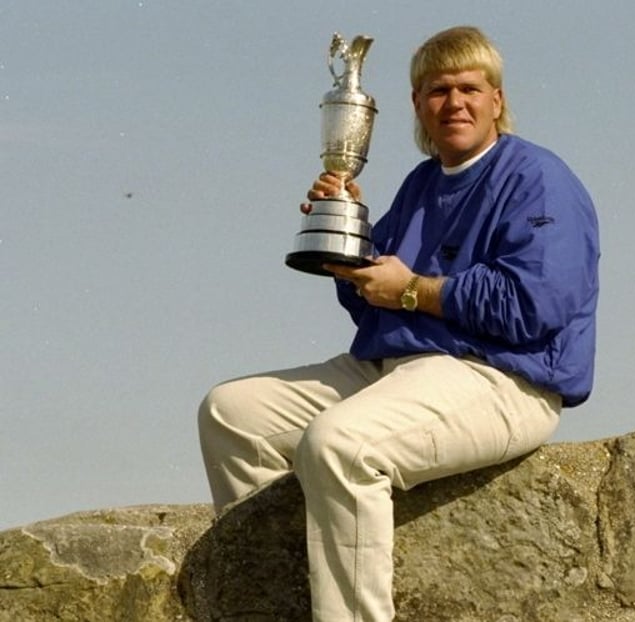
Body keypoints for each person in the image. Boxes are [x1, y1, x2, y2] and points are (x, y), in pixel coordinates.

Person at [197, 25, 600, 621]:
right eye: (438, 90)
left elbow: (535, 304)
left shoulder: (537, 178)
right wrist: (343, 236)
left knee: (341, 445)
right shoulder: (422, 184)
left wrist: (411, 290)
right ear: (417, 104)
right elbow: (374, 300)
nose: (454, 103)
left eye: (469, 88)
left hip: (502, 378)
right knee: (232, 415)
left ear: (497, 100)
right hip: (398, 368)